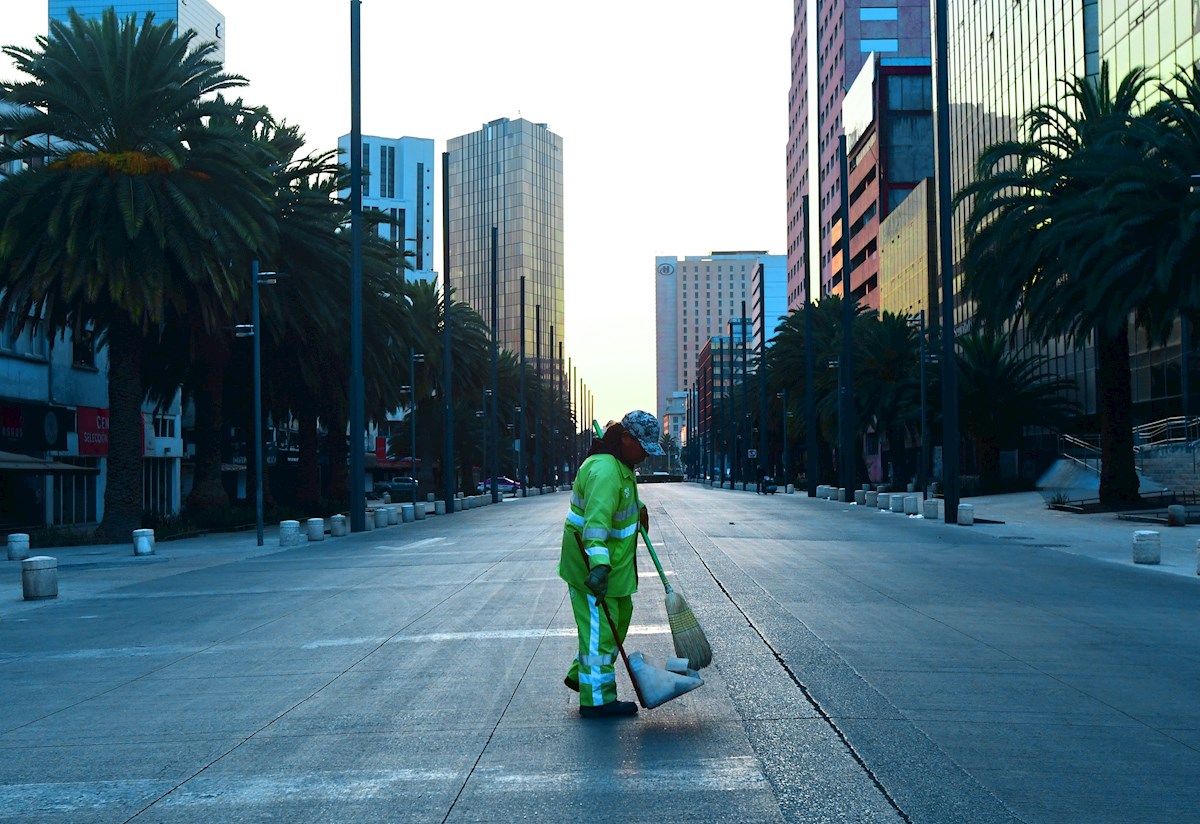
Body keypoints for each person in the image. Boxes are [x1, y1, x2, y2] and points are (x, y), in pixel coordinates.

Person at [559, 410, 663, 718]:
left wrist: (638, 507)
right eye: (642, 446)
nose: (645, 454)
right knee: (600, 633)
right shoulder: (604, 470)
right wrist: (600, 568)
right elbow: (594, 528)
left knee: (618, 622)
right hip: (592, 568)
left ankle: (582, 675)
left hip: (615, 569)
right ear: (626, 439)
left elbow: (619, 503)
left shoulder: (622, 466)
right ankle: (597, 701)